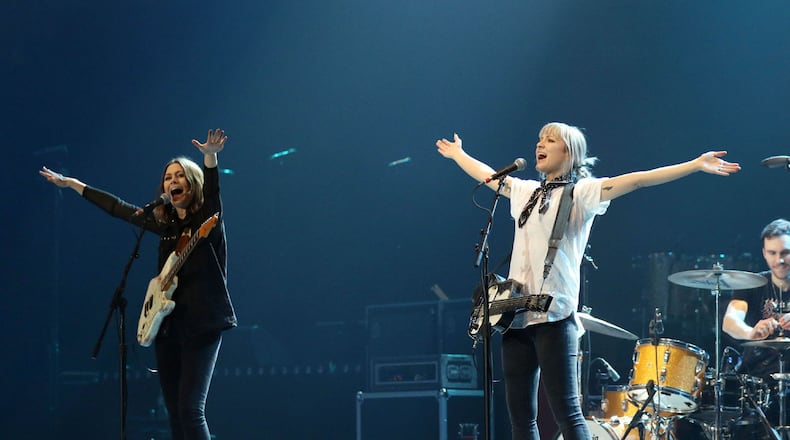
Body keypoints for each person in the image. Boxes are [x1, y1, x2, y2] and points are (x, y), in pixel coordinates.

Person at [435, 122, 740, 440]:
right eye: (539, 138)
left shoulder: (583, 193)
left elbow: (636, 181)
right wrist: (459, 154)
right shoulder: (525, 192)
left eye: (550, 140)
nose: (540, 144)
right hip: (515, 318)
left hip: (555, 318)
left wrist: (694, 165)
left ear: (568, 152)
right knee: (521, 420)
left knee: (567, 414)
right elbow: (489, 176)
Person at [39, 128, 237, 440]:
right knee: (174, 411)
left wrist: (209, 157)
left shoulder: (208, 217)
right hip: (168, 325)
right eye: (168, 178)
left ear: (193, 182)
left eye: (179, 176)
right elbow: (119, 208)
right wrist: (74, 185)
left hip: (202, 322)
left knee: (190, 409)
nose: (172, 182)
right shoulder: (164, 224)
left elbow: (213, 193)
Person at [723, 218, 790, 426]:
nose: (779, 260)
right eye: (772, 253)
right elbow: (730, 321)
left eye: (785, 252)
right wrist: (750, 332)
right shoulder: (752, 284)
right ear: (763, 253)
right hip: (757, 381)